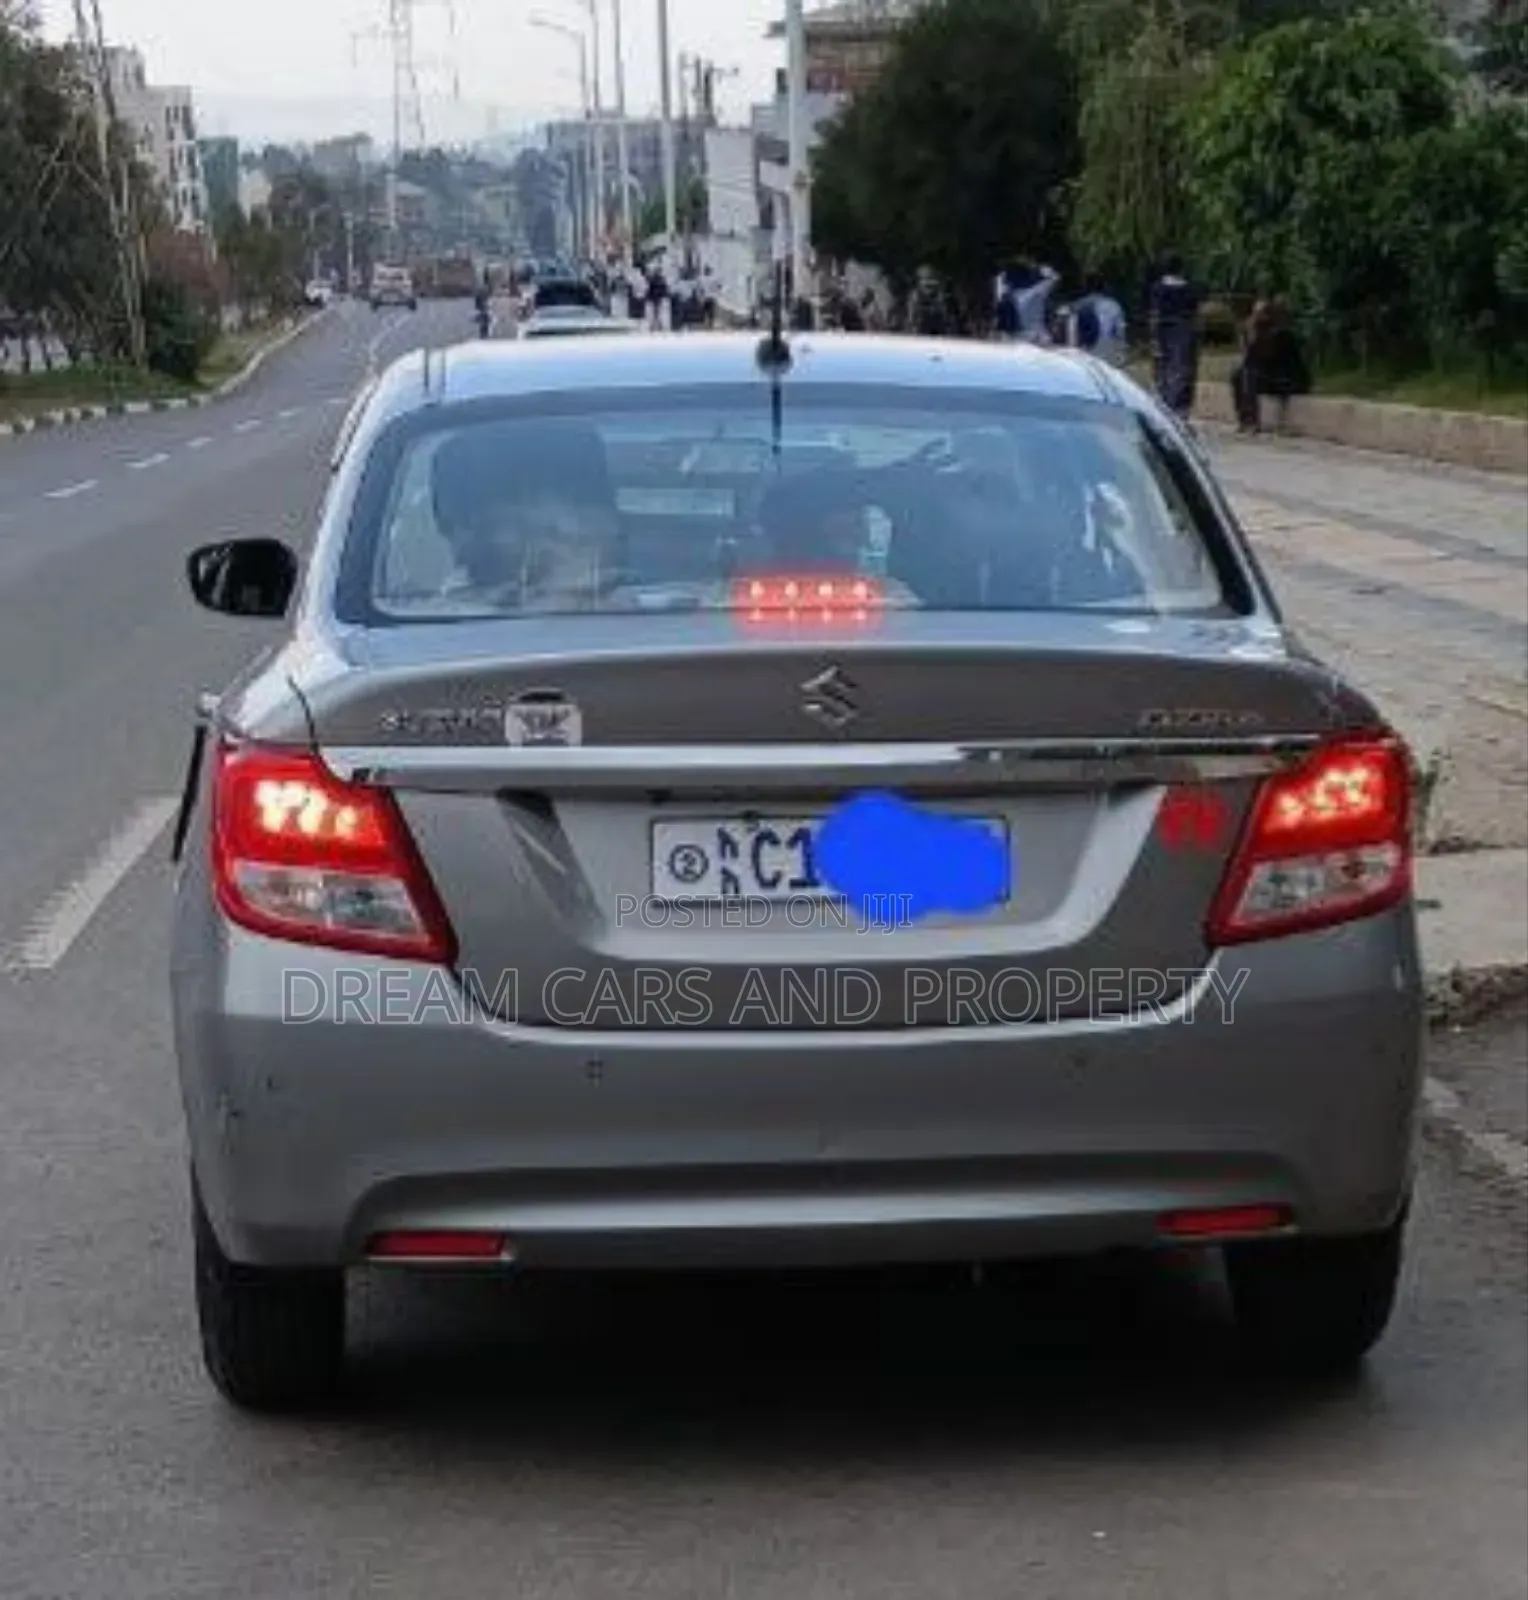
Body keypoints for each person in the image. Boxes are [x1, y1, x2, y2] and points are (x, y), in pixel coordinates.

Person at [1150, 254, 1202, 421]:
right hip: (1185, 331)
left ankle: (1164, 405)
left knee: (1163, 369)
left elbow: (1155, 314)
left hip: (1164, 330)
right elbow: (1195, 314)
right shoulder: (1190, 289)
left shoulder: (1158, 288)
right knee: (1183, 369)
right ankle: (1180, 409)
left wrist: (1153, 338)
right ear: (1181, 269)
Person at [1066, 273, 1127, 365]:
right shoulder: (1114, 305)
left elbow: (1071, 332)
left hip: (1085, 354)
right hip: (1108, 353)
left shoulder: (1078, 305)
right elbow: (1120, 332)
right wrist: (1120, 352)